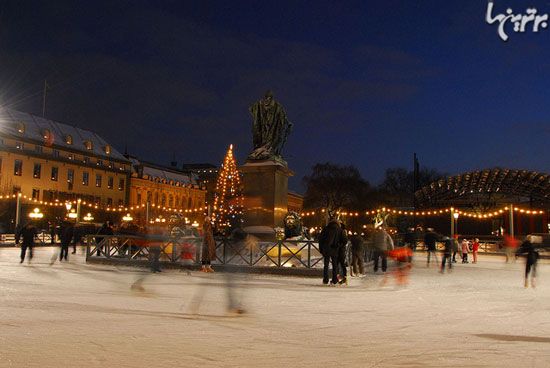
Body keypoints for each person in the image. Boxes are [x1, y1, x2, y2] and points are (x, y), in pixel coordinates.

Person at [319, 214, 348, 285]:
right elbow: (345, 241)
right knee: (335, 265)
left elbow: (321, 239)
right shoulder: (340, 230)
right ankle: (334, 280)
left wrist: (321, 249)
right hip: (335, 250)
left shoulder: (325, 229)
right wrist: (339, 245)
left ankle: (325, 280)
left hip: (326, 249)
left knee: (326, 265)